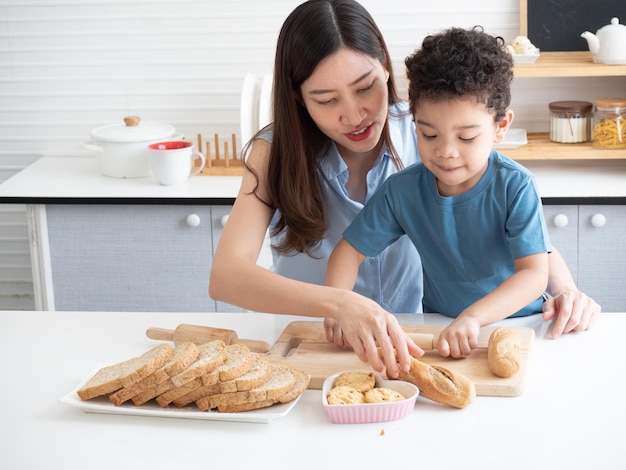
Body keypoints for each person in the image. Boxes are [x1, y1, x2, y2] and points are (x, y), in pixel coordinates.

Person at [209, 0, 600, 376]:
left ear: (385, 68)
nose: (354, 115)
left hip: (418, 338)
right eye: (326, 100)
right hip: (317, 343)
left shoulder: (428, 129)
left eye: (365, 89)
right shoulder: (273, 152)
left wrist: (565, 289)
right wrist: (338, 305)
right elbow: (226, 276)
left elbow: (520, 232)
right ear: (299, 98)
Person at [326, 25, 554, 358]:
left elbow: (534, 274)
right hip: (442, 327)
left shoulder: (515, 185)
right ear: (414, 122)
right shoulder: (402, 192)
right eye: (429, 135)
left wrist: (474, 318)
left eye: (466, 138)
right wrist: (338, 304)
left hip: (521, 326)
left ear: (500, 126)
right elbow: (348, 252)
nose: (446, 152)